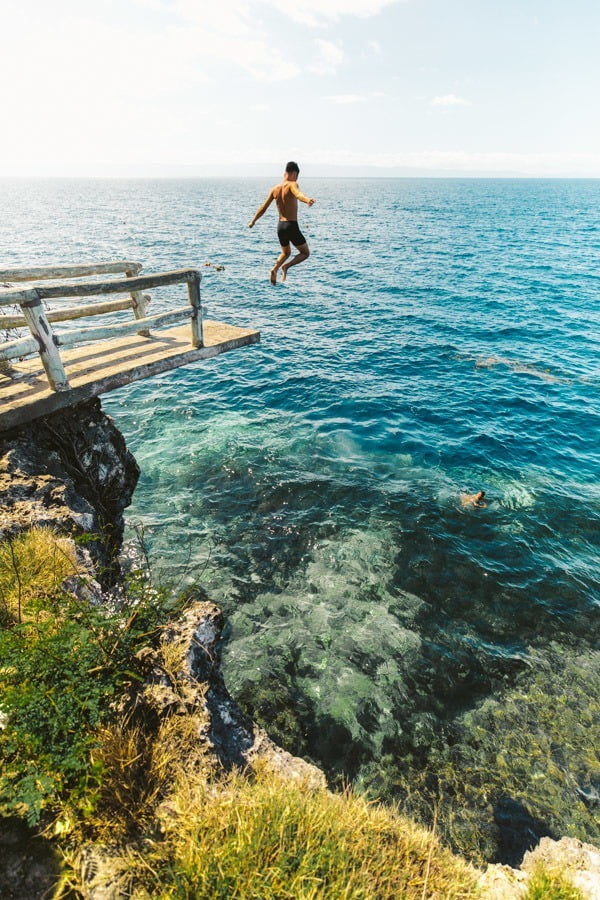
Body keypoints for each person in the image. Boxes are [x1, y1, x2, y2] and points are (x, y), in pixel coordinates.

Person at [248, 161, 316, 284]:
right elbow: (298, 194)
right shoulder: (292, 184)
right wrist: (307, 200)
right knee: (305, 253)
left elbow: (263, 207)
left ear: (285, 172)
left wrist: (253, 221)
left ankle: (275, 269)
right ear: (295, 173)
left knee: (286, 252)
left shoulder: (275, 189)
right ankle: (286, 267)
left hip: (280, 227)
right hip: (291, 225)